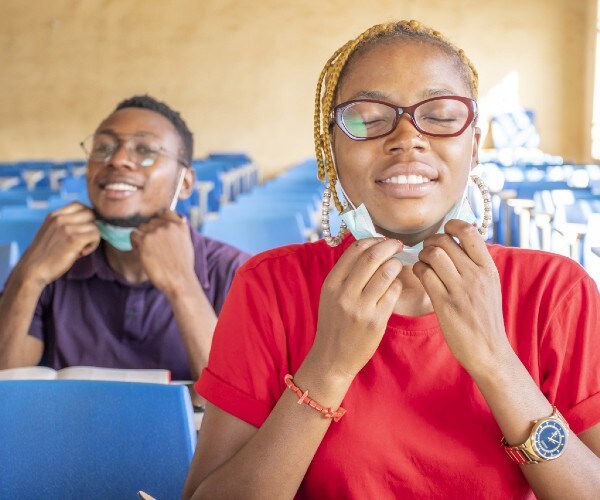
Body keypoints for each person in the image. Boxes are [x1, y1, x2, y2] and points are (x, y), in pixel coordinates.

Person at [183, 20, 600, 498]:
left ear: (475, 146)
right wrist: (328, 369)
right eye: (369, 117)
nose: (407, 137)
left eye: (441, 116)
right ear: (332, 149)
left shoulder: (555, 290)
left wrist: (497, 362)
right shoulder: (270, 286)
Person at [0, 95, 250, 381]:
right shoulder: (53, 263)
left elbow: (236, 399)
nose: (117, 160)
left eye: (145, 150)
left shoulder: (236, 273)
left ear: (186, 183)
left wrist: (182, 284)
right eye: (103, 148)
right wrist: (29, 276)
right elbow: (7, 387)